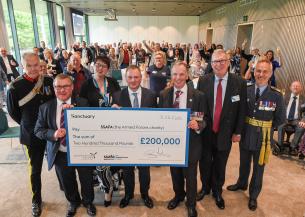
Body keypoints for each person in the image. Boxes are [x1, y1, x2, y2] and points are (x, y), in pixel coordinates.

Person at [226, 58, 285, 211]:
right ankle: (241, 183)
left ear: (270, 74)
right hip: (246, 133)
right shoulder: (246, 88)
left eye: (265, 71)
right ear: (254, 71)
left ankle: (253, 196)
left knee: (259, 168)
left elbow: (280, 119)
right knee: (244, 162)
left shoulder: (277, 95)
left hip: (263, 138)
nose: (261, 74)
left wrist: (266, 128)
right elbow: (237, 106)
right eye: (258, 70)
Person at [34, 74, 96, 217]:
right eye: (58, 87)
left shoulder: (83, 103)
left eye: (66, 86)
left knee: (86, 179)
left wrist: (75, 114)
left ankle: (88, 202)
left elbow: (92, 126)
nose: (62, 90)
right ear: (54, 88)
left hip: (82, 152)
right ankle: (73, 202)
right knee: (67, 180)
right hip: (60, 151)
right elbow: (38, 130)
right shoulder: (45, 107)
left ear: (72, 87)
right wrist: (54, 134)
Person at [197, 49, 247, 210]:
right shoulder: (203, 81)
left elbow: (242, 110)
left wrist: (238, 132)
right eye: (215, 61)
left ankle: (217, 191)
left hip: (226, 132)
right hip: (205, 132)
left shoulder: (239, 82)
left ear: (228, 62)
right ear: (211, 64)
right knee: (204, 162)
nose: (218, 64)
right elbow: (198, 106)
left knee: (220, 164)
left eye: (222, 61)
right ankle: (205, 187)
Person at [6, 52, 55, 217]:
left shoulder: (48, 81)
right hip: (31, 135)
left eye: (36, 65)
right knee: (35, 170)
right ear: (22, 66)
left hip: (51, 132)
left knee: (61, 164)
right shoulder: (14, 87)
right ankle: (36, 200)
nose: (34, 69)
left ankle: (68, 191)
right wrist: (29, 125)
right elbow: (14, 113)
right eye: (29, 66)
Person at [159, 61, 206, 217]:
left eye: (181, 74)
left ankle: (191, 203)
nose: (177, 78)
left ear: (187, 75)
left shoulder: (199, 96)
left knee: (190, 176)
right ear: (171, 75)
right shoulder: (164, 94)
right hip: (171, 144)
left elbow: (205, 120)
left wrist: (198, 125)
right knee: (175, 173)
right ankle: (178, 195)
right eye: (174, 74)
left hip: (191, 144)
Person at [112, 65, 157, 209]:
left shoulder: (151, 94)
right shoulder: (117, 96)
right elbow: (111, 122)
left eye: (136, 77)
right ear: (126, 78)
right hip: (126, 141)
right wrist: (112, 112)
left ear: (141, 78)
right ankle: (128, 195)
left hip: (144, 141)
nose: (133, 80)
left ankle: (145, 194)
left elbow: (157, 119)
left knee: (144, 170)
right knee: (127, 170)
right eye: (130, 77)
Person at [277, 81, 305, 155]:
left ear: (301, 88)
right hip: (284, 118)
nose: (295, 87)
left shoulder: (303, 99)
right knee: (281, 125)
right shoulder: (284, 96)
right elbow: (278, 108)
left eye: (297, 86)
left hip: (296, 120)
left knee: (301, 127)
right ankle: (280, 146)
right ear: (290, 88)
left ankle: (293, 147)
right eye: (294, 86)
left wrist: (303, 120)